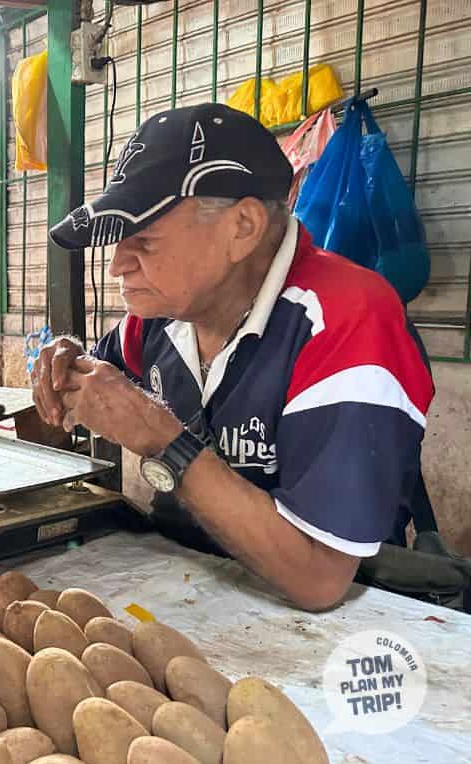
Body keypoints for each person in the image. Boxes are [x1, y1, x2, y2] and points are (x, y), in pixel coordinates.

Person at [35, 103, 434, 611]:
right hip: (193, 593)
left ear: (242, 226)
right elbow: (100, 373)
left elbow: (319, 579)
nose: (116, 266)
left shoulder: (349, 320)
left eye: (144, 240)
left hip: (332, 636)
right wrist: (67, 360)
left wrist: (159, 437)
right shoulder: (162, 314)